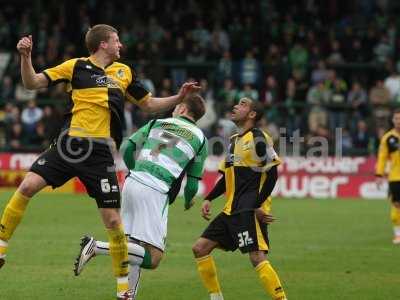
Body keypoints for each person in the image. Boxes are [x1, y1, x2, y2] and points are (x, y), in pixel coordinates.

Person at [0, 24, 200, 300]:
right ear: (103, 44)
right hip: (70, 145)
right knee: (26, 187)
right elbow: (32, 82)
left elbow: (149, 104)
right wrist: (25, 57)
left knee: (113, 222)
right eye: (116, 40)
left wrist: (180, 97)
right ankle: (0, 247)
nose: (121, 45)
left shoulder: (124, 72)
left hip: (100, 154)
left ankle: (122, 292)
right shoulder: (75, 66)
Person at [73, 94, 208, 299]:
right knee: (153, 257)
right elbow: (192, 183)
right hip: (156, 190)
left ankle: (126, 296)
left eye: (176, 107)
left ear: (182, 109)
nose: (173, 109)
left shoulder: (157, 122)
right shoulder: (200, 138)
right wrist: (189, 201)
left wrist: (136, 170)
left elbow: (128, 147)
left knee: (134, 246)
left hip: (132, 183)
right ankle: (96, 247)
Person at [192, 97, 287, 300]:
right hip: (230, 210)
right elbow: (227, 178)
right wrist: (209, 198)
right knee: (200, 248)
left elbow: (272, 174)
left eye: (243, 104)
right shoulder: (234, 140)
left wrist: (257, 205)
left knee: (256, 257)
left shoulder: (259, 138)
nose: (235, 105)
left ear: (252, 114)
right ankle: (216, 298)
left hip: (248, 209)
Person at [376, 109, 400, 244]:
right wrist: (379, 174)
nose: (399, 121)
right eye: (396, 119)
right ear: (393, 120)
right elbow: (382, 158)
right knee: (397, 205)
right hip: (396, 177)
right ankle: (398, 234)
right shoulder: (388, 138)